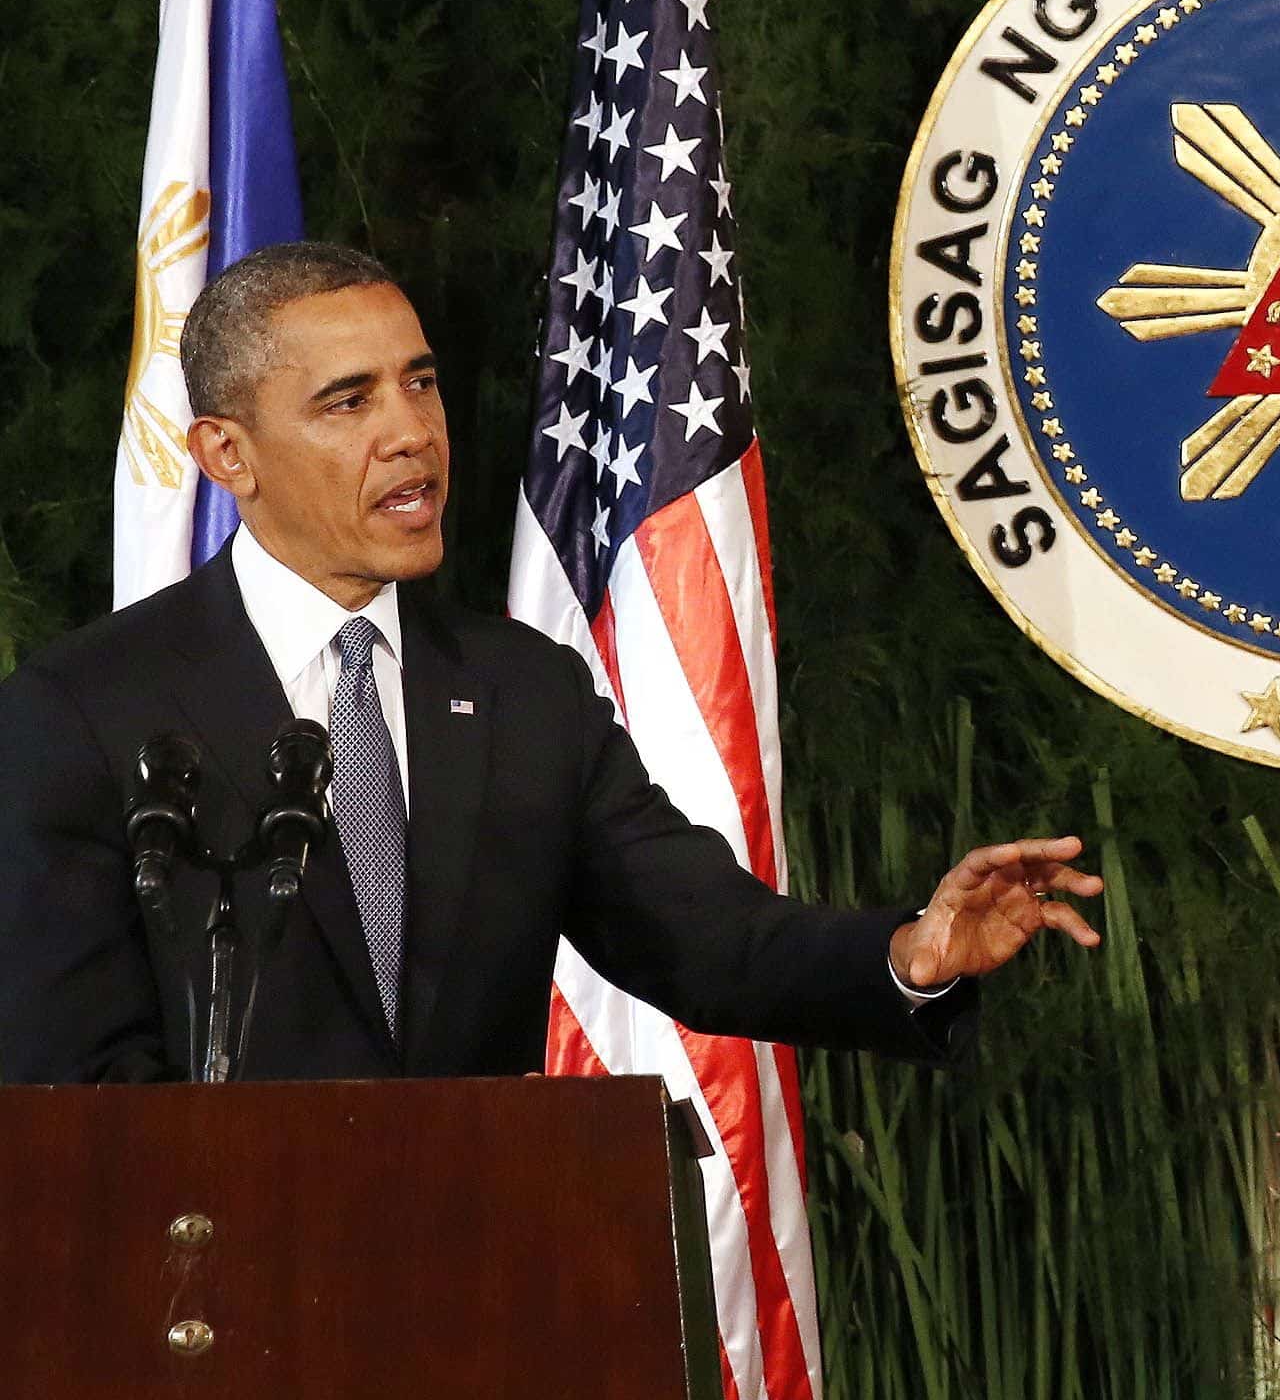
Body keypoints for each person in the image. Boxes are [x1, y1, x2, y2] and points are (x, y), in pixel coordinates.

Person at [0, 241, 1102, 1083]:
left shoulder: (525, 692)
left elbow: (707, 941)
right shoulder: (86, 712)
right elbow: (65, 1079)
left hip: (488, 1308)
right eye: (350, 401)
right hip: (208, 1325)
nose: (412, 433)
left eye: (419, 383)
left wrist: (913, 951)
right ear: (225, 453)